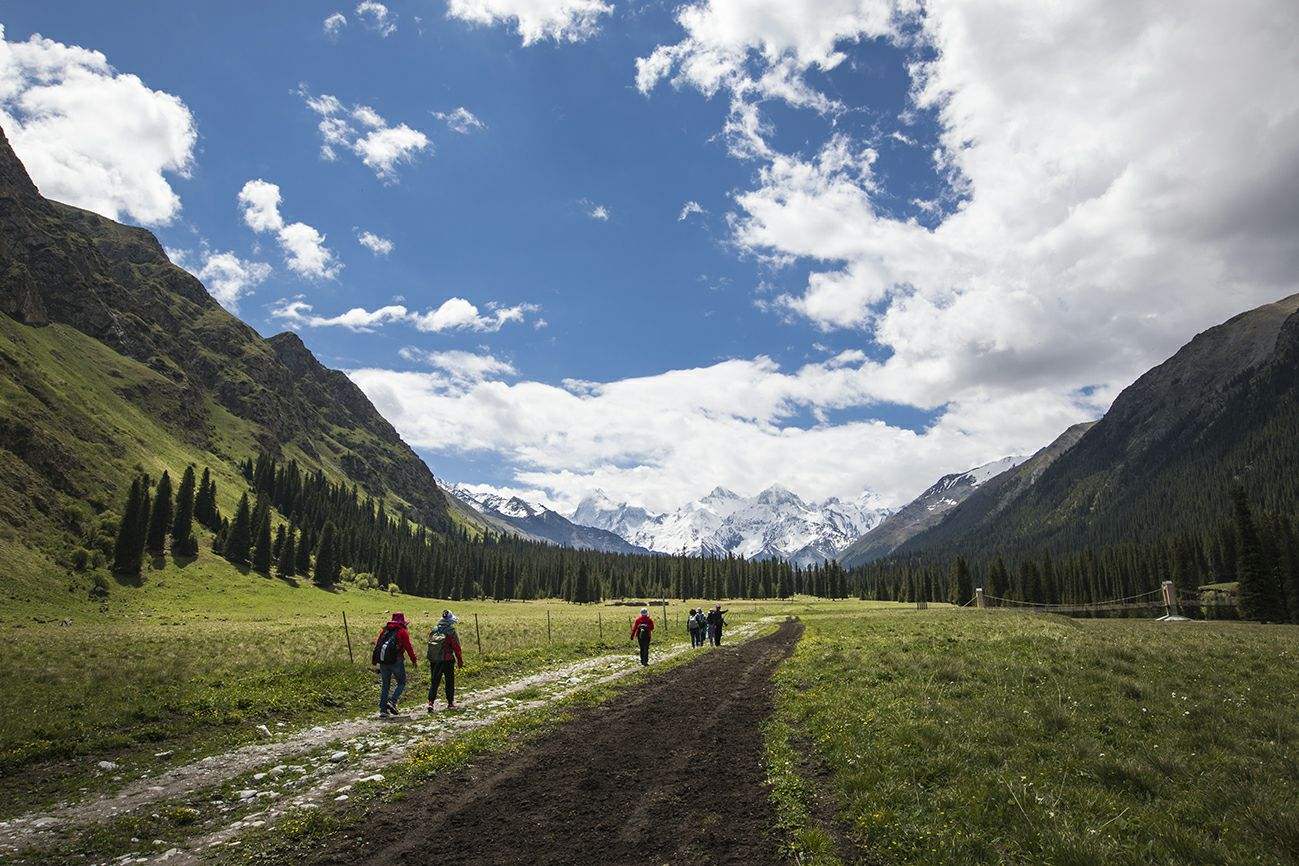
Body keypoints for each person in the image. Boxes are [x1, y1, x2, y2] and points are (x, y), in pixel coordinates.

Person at [372, 612, 417, 718]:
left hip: (383, 661)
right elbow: (408, 647)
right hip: (396, 660)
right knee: (401, 683)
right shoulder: (402, 631)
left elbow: (378, 645)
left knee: (385, 685)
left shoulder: (385, 630)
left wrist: (375, 660)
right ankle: (392, 701)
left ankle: (383, 710)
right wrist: (413, 660)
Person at [426, 609, 464, 712]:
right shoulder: (451, 631)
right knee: (449, 681)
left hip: (434, 660)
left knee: (434, 681)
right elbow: (456, 647)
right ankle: (450, 703)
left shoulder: (434, 629)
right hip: (447, 660)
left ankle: (430, 703)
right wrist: (460, 660)